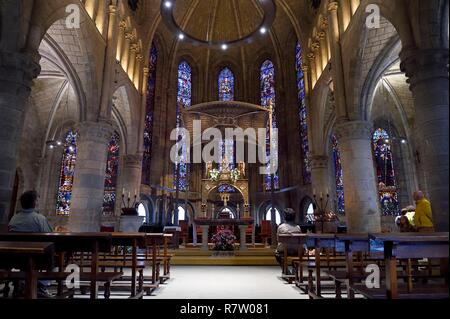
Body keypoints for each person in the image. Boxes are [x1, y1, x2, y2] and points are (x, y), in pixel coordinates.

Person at [8, 191, 53, 298]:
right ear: (34, 203)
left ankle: (21, 283)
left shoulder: (14, 219)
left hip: (15, 257)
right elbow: (50, 237)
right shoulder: (39, 219)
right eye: (37, 200)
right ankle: (41, 286)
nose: (38, 202)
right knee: (52, 255)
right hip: (39, 258)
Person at [275, 208, 302, 274]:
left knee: (277, 254)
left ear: (285, 217)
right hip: (296, 250)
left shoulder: (281, 227)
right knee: (297, 253)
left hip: (284, 249)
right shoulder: (298, 227)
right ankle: (294, 268)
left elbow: (278, 239)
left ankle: (285, 269)